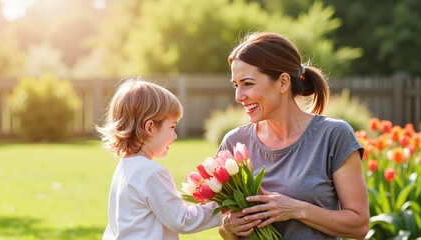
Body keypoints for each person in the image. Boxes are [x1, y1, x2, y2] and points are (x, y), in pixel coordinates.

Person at [215, 32, 369, 240]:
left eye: (248, 84)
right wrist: (230, 226)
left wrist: (297, 209)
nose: (238, 96)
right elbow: (224, 229)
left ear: (283, 82)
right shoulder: (234, 143)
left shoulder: (333, 136)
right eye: (236, 85)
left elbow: (359, 225)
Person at [98, 78, 222, 240]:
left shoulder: (126, 167)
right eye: (172, 127)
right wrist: (221, 208)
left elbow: (169, 204)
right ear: (149, 127)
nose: (175, 135)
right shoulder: (152, 172)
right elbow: (181, 219)